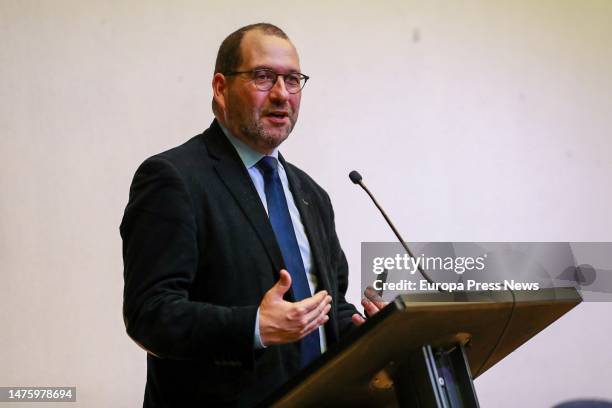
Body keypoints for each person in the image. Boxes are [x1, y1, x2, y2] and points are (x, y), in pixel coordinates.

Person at [120, 23, 383, 407]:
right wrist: (254, 327)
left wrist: (367, 328)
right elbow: (151, 315)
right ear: (221, 88)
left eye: (292, 80)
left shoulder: (311, 195)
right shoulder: (173, 178)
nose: (281, 94)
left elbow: (326, 305)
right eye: (263, 77)